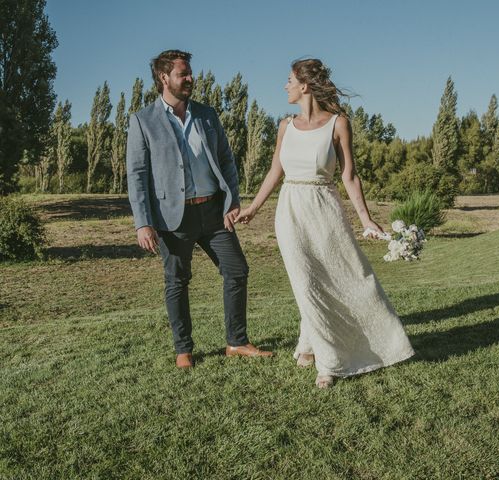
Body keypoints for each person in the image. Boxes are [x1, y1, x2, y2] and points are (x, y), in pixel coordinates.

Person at [236, 59, 414, 388]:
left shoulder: (338, 124)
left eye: (289, 80)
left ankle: (317, 344)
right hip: (290, 210)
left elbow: (349, 175)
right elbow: (275, 170)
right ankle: (327, 362)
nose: (285, 86)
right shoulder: (285, 126)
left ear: (305, 85)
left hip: (325, 207)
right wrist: (254, 207)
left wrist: (366, 219)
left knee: (344, 277)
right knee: (305, 282)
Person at [126, 49, 272, 369]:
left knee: (237, 270)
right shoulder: (142, 121)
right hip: (172, 218)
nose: (191, 78)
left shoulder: (207, 114)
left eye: (190, 73)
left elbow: (226, 161)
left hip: (214, 213)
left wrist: (232, 199)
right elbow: (136, 176)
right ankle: (183, 349)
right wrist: (143, 223)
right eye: (183, 74)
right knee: (177, 280)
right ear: (165, 78)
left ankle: (236, 342)